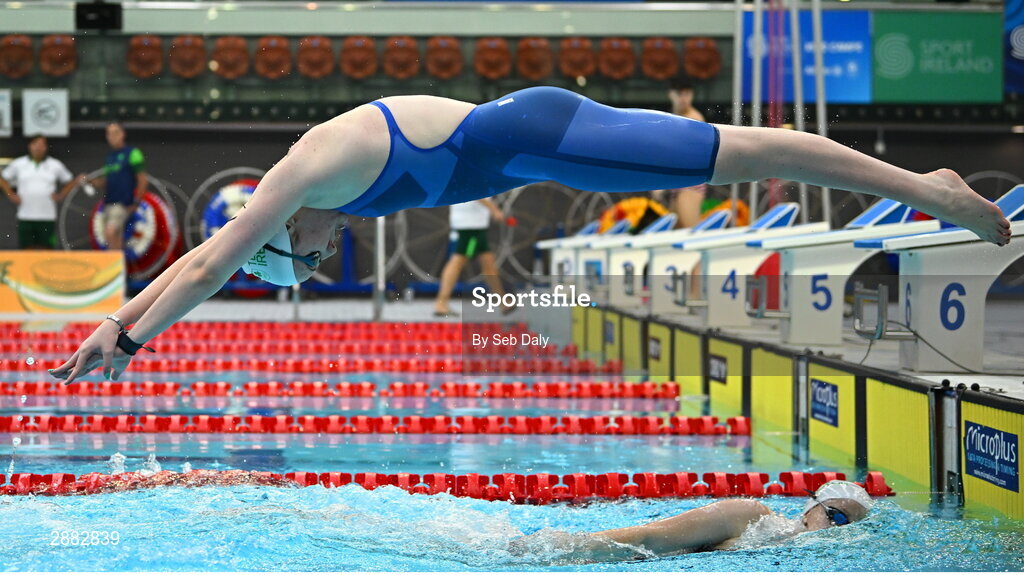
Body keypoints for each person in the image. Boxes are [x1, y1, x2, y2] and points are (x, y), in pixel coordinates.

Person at [49, 86, 1011, 384]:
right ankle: (925, 186)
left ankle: (931, 187)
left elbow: (214, 261)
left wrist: (132, 341)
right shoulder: (299, 204)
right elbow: (201, 260)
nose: (319, 255)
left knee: (759, 151)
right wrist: (113, 318)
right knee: (752, 153)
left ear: (282, 226)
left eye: (306, 256)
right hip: (539, 150)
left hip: (537, 135)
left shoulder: (304, 173)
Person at [509, 480, 875, 562]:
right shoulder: (750, 515)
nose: (835, 527)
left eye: (847, 524)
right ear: (811, 507)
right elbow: (648, 537)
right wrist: (548, 551)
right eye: (835, 514)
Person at [0, 134, 84, 249]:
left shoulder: (55, 165)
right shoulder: (19, 164)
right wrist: (11, 194)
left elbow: (70, 181)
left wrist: (61, 195)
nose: (38, 148)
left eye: (41, 145)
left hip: (47, 217)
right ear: (30, 146)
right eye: (35, 144)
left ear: (46, 147)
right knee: (26, 251)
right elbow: (2, 179)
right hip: (25, 216)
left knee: (47, 251)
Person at [433, 198, 509, 317]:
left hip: (474, 226)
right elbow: (477, 193)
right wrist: (494, 209)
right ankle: (441, 303)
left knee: (487, 262)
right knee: (459, 260)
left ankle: (502, 301)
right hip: (469, 227)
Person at [653, 77, 708, 228]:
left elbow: (685, 156)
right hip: (678, 183)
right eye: (680, 94)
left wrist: (661, 183)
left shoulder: (694, 119)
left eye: (687, 94)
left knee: (690, 233)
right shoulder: (671, 118)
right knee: (675, 233)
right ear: (670, 95)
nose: (684, 98)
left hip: (690, 184)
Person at [90, 122, 148, 251]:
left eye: (115, 132)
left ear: (123, 134)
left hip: (122, 203)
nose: (112, 136)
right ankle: (119, 268)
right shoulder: (110, 157)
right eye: (109, 133)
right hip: (109, 203)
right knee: (113, 237)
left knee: (111, 232)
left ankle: (115, 268)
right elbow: (106, 181)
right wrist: (89, 181)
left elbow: (142, 180)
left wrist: (136, 201)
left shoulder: (132, 153)